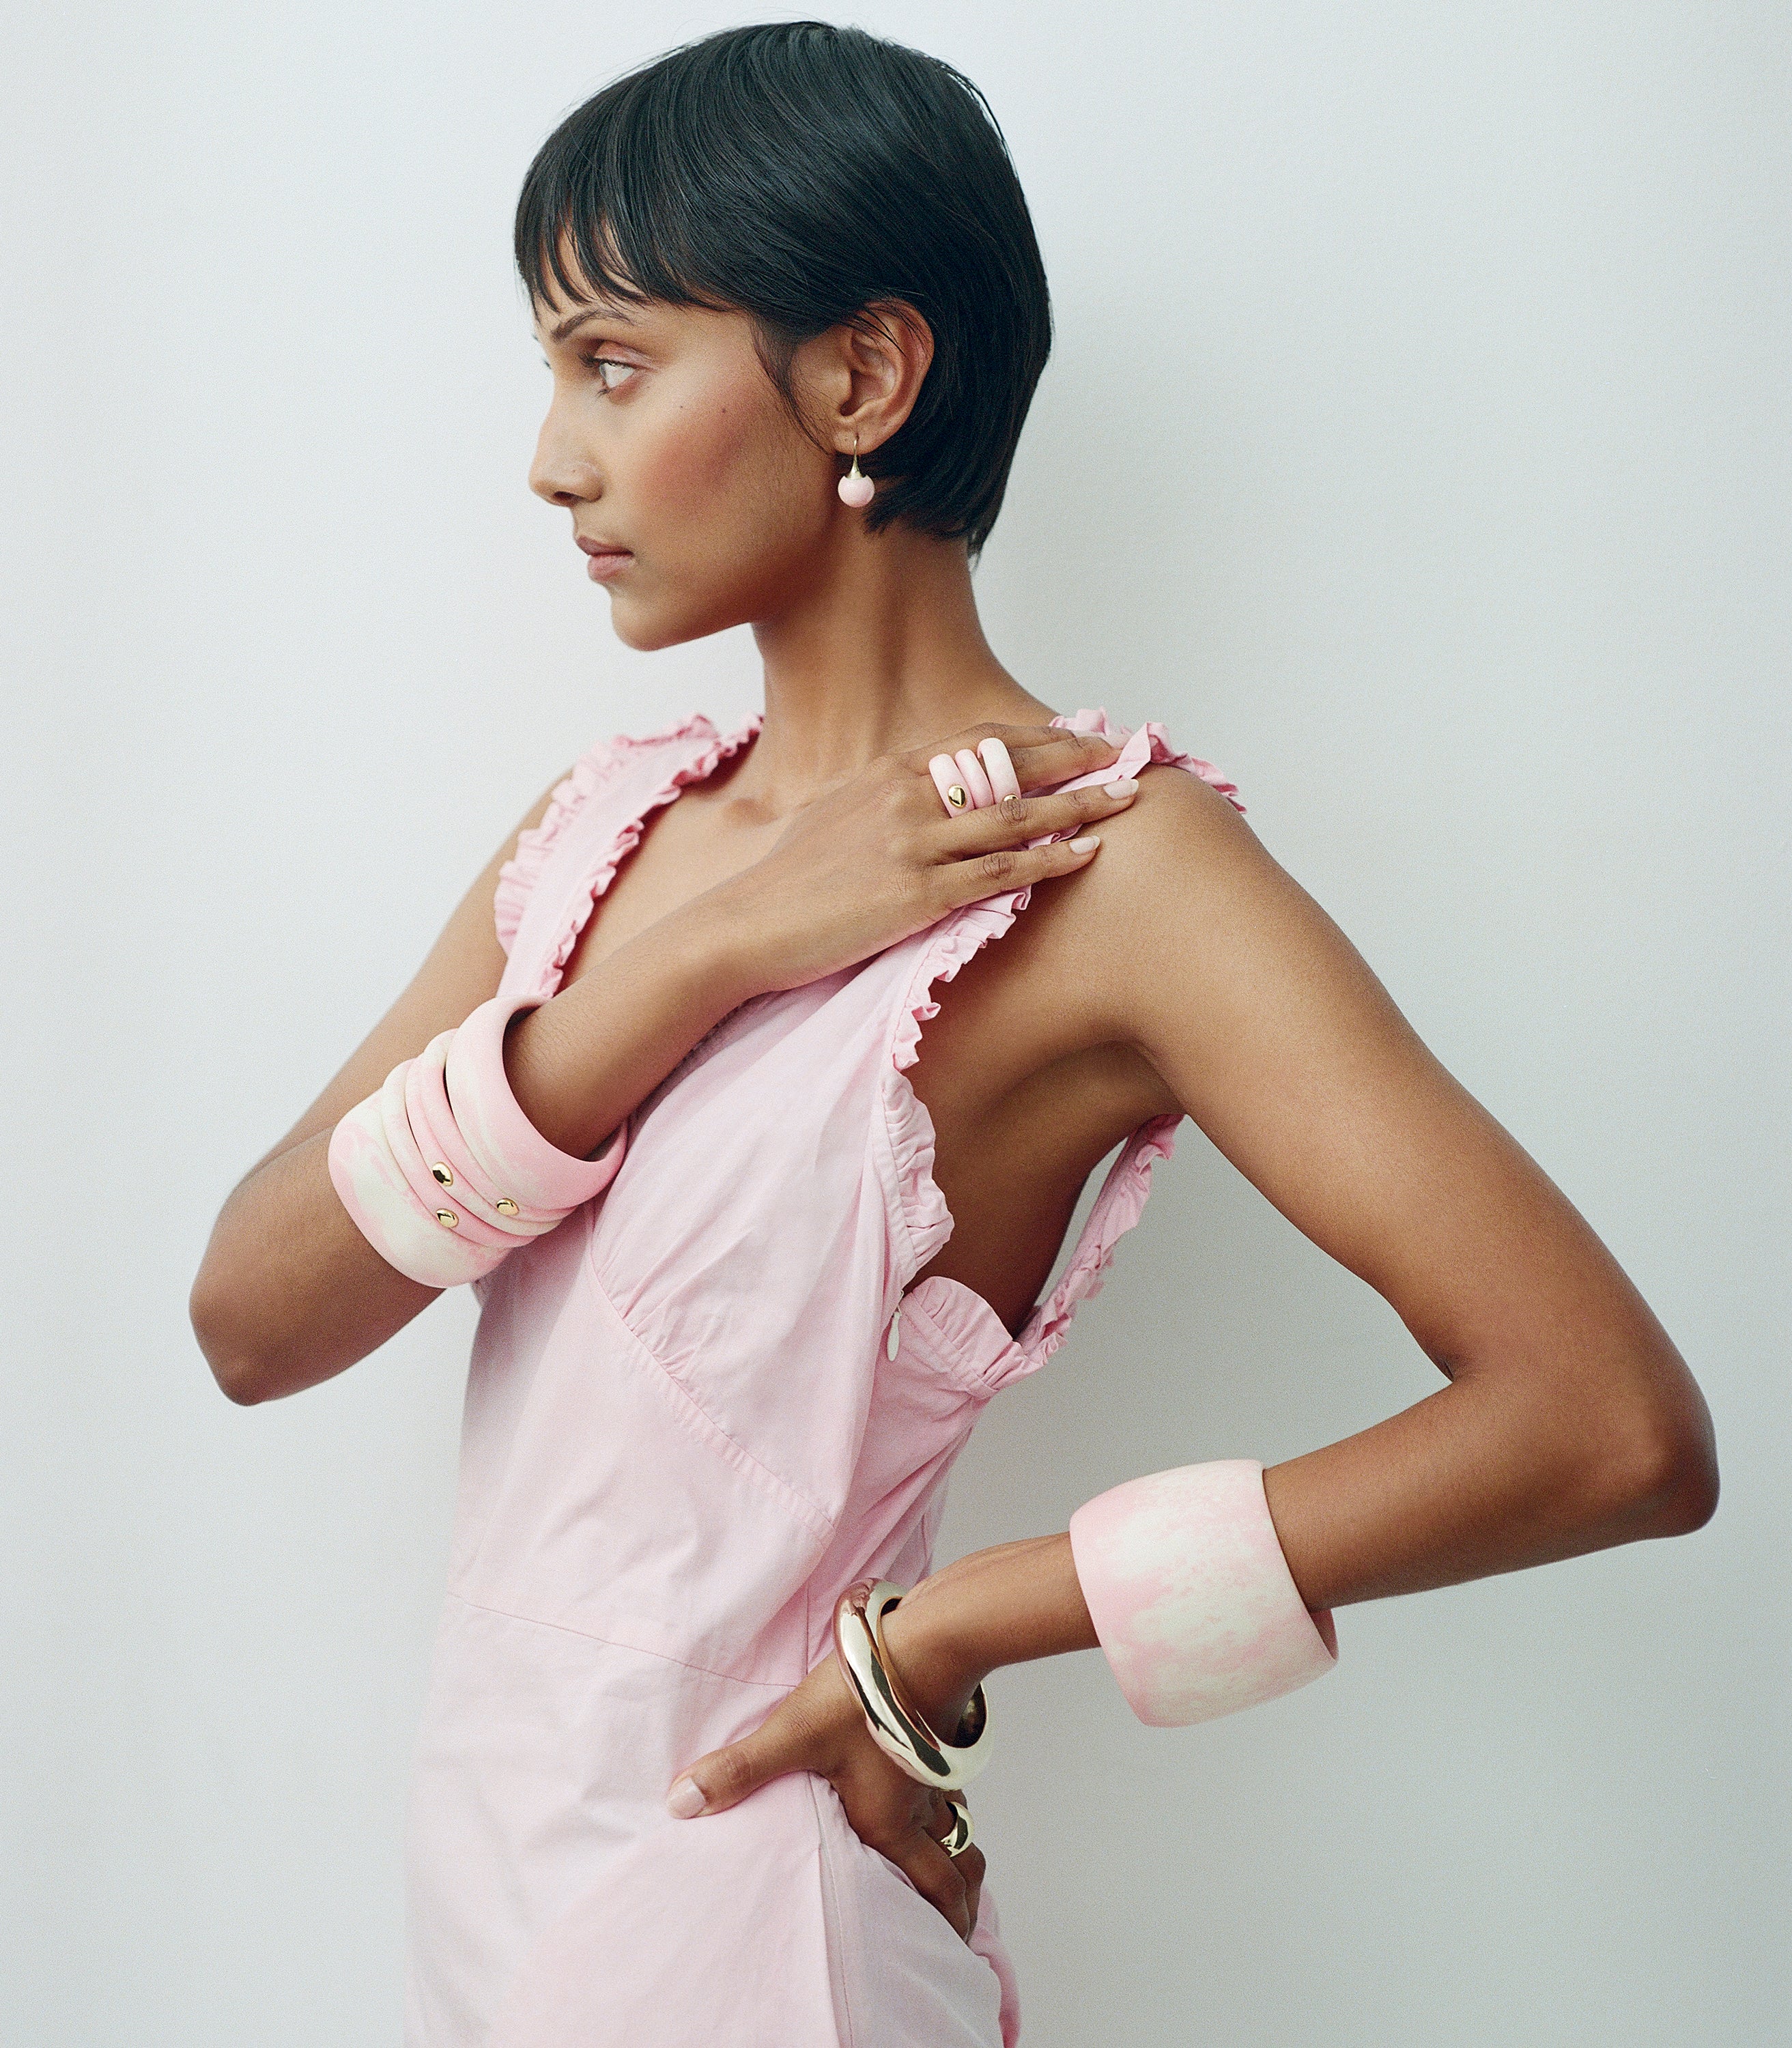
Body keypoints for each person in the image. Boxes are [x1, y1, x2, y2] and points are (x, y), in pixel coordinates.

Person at [188, 21, 1718, 2047]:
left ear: (862, 374)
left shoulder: (1116, 869)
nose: (550, 456)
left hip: (752, 1935)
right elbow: (252, 1324)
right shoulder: (598, 843)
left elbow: (1605, 1428)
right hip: (489, 1906)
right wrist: (699, 958)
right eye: (555, 368)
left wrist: (962, 1620)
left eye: (612, 362)